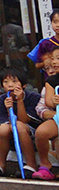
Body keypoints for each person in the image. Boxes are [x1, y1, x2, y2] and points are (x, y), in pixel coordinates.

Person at [0, 68, 41, 177]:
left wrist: (19, 101)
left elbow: (24, 120)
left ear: (23, 85)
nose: (10, 85)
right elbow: (8, 124)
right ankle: (0, 165)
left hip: (33, 135)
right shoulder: (0, 101)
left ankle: (31, 165)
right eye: (6, 82)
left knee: (19, 125)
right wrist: (8, 109)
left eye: (14, 81)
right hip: (13, 134)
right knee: (2, 129)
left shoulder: (34, 98)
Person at [32, 45, 59, 179]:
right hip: (58, 118)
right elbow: (48, 102)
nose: (54, 62)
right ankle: (45, 166)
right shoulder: (51, 81)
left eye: (58, 59)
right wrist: (54, 101)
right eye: (53, 59)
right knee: (41, 132)